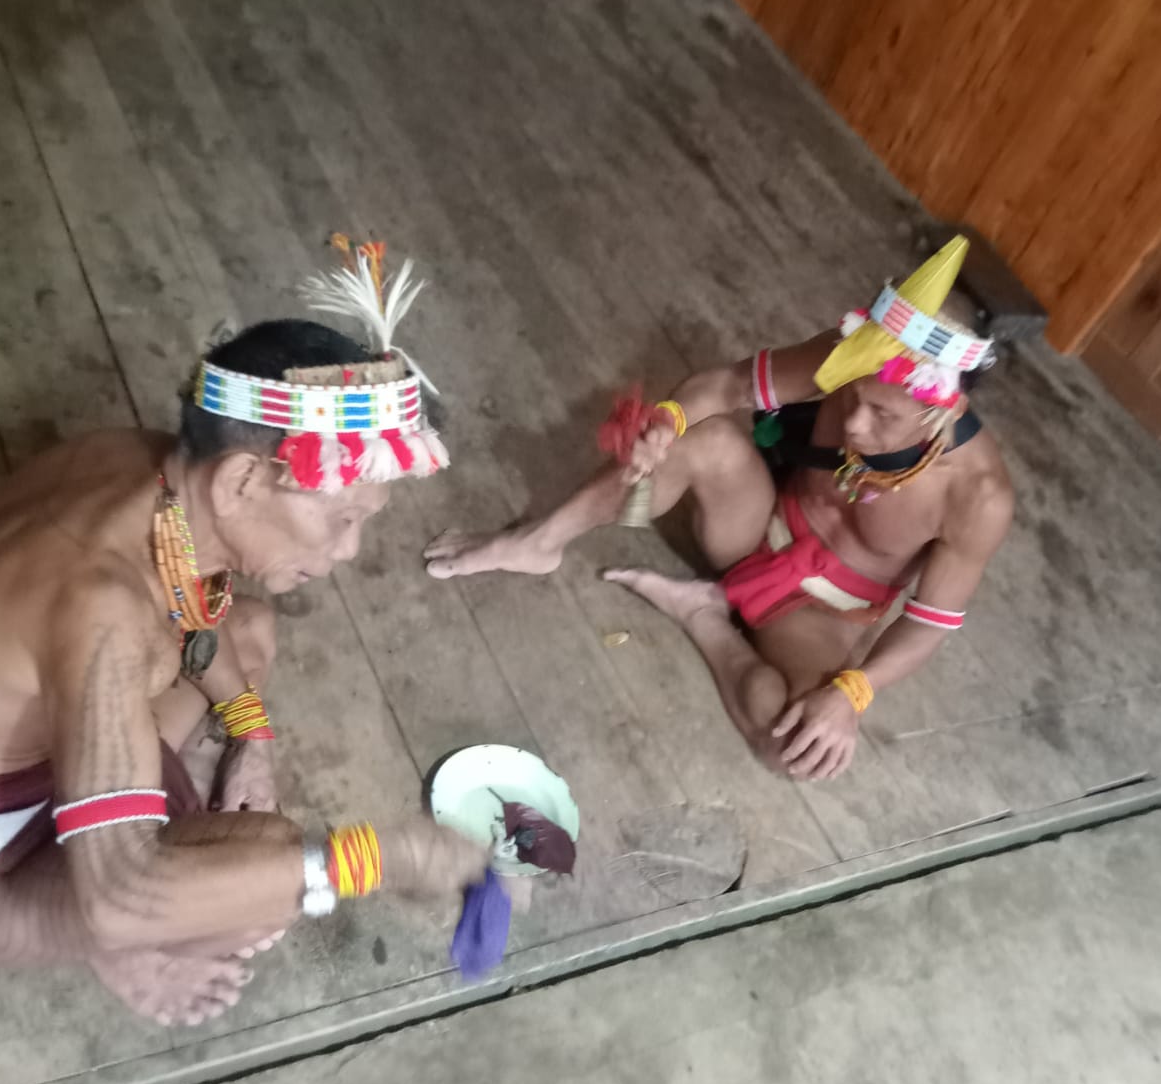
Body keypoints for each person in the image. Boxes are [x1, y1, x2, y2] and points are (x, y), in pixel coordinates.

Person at [0, 238, 483, 1026]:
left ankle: (110, 867)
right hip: (4, 829)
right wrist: (382, 858)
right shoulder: (103, 608)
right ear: (243, 479)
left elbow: (197, 624)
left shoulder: (141, 467)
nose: (348, 549)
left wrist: (252, 734)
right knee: (259, 879)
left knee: (247, 635)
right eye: (342, 517)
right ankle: (98, 946)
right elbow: (120, 895)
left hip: (49, 721)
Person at [424, 237, 1014, 782]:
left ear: (944, 409)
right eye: (856, 397)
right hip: (754, 526)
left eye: (883, 415)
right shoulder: (851, 356)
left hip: (821, 612)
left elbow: (930, 622)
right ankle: (538, 541)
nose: (855, 423)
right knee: (700, 439)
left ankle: (703, 617)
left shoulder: (979, 495)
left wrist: (854, 692)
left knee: (798, 748)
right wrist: (668, 422)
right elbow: (728, 386)